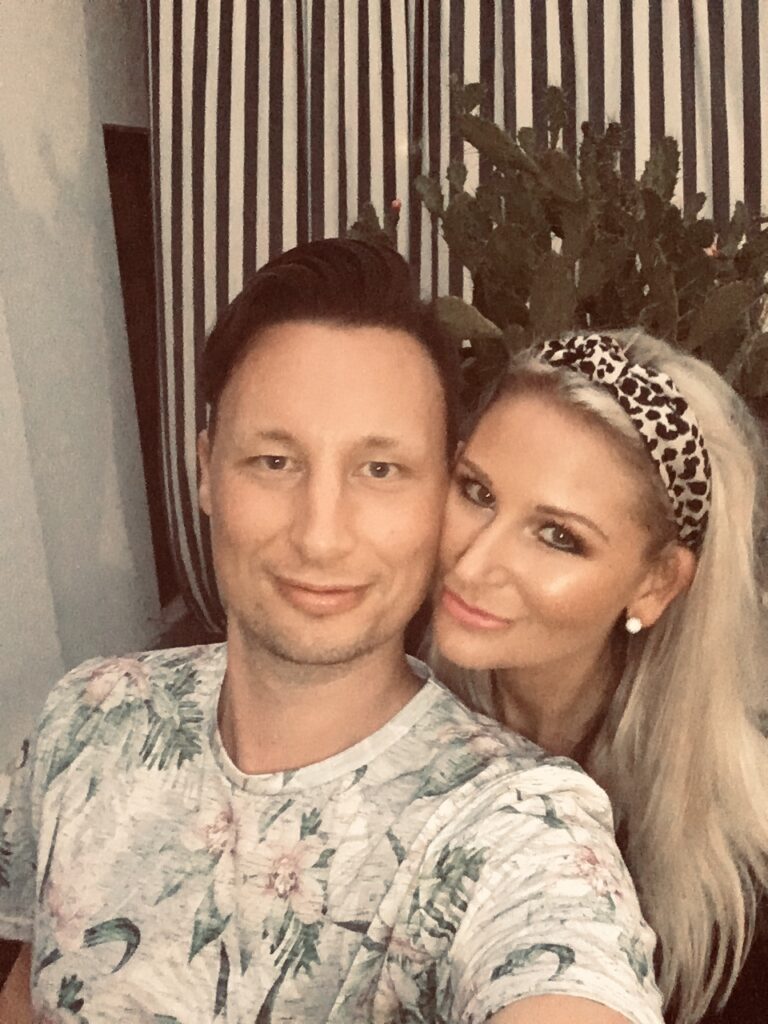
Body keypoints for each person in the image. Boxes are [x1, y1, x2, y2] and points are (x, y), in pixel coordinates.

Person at [0, 241, 664, 1024]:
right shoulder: (88, 713)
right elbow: (31, 985)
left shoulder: (515, 827)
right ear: (206, 469)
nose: (320, 537)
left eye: (380, 470)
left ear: (443, 490)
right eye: (273, 461)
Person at [431, 329, 768, 1024]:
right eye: (477, 491)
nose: (472, 564)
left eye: (559, 536)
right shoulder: (379, 683)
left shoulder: (738, 878)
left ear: (655, 583)